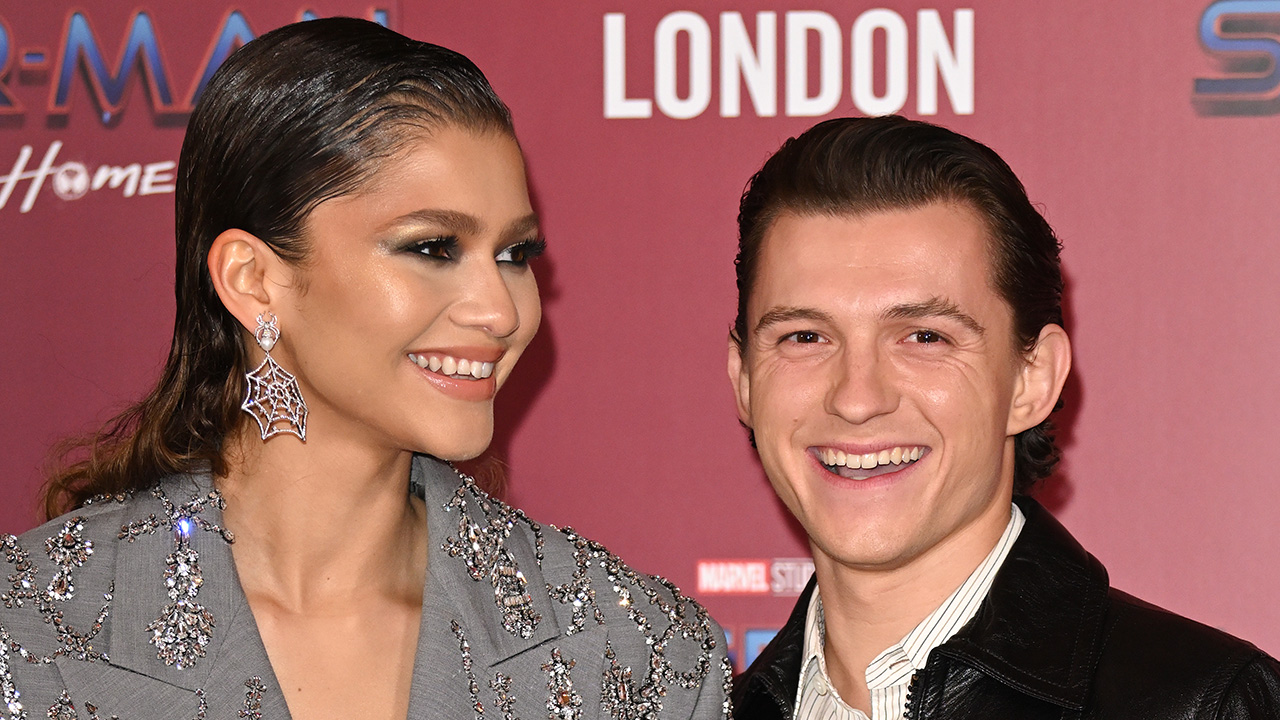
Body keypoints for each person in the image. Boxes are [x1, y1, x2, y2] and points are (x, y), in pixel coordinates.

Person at [0, 18, 729, 720]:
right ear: (254, 279)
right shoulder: (27, 632)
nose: (501, 312)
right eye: (433, 247)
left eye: (515, 256)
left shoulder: (635, 655)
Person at [726, 116, 1280, 719]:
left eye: (923, 336)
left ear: (1032, 378)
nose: (856, 399)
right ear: (745, 380)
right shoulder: (709, 709)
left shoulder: (1208, 706)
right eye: (805, 336)